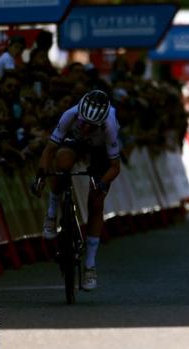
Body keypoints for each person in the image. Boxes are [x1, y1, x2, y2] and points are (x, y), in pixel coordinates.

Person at [32, 90, 121, 291]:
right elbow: (49, 151)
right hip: (75, 141)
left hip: (100, 152)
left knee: (96, 202)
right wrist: (40, 177)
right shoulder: (70, 115)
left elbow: (115, 167)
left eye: (92, 125)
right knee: (61, 165)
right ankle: (52, 213)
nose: (86, 127)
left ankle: (90, 266)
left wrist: (102, 184)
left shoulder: (109, 126)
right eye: (84, 122)